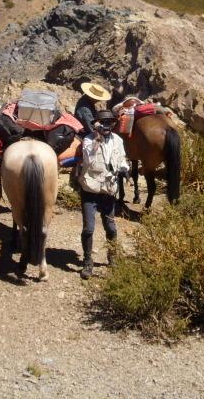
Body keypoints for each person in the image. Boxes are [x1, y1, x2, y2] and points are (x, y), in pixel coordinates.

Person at [77, 110, 129, 279]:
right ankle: (87, 261)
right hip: (90, 188)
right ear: (97, 123)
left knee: (111, 226)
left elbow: (121, 158)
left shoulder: (118, 141)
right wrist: (97, 140)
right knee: (89, 228)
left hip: (108, 189)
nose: (107, 125)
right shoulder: (88, 140)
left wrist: (124, 168)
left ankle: (112, 257)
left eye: (110, 122)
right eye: (103, 122)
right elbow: (88, 159)